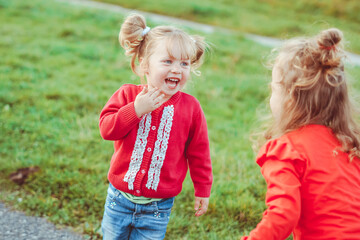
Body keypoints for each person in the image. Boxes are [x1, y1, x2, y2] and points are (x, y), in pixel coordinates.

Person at [99, 13, 213, 240]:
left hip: (157, 208)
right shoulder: (128, 95)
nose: (177, 69)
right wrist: (136, 110)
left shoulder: (191, 108)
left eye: (184, 63)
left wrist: (202, 189)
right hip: (118, 200)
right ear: (145, 65)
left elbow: (199, 152)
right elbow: (107, 130)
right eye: (168, 61)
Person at [241, 28, 360, 240]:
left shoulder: (287, 150)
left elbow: (282, 215)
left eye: (274, 89)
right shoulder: (350, 146)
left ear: (289, 99)